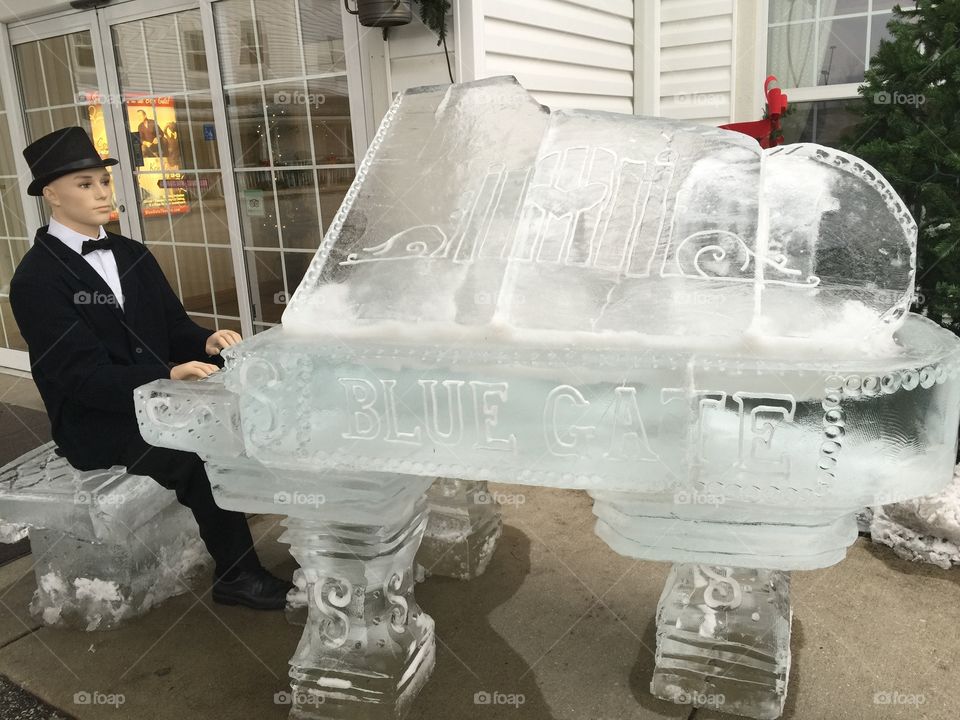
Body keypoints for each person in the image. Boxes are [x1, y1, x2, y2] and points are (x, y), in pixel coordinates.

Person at [10, 126, 291, 610]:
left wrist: (204, 341)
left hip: (161, 400)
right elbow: (79, 377)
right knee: (198, 456)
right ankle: (237, 575)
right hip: (97, 422)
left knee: (253, 419)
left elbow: (172, 324)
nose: (101, 192)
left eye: (103, 181)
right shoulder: (36, 279)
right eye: (85, 184)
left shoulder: (129, 253)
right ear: (52, 196)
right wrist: (164, 375)